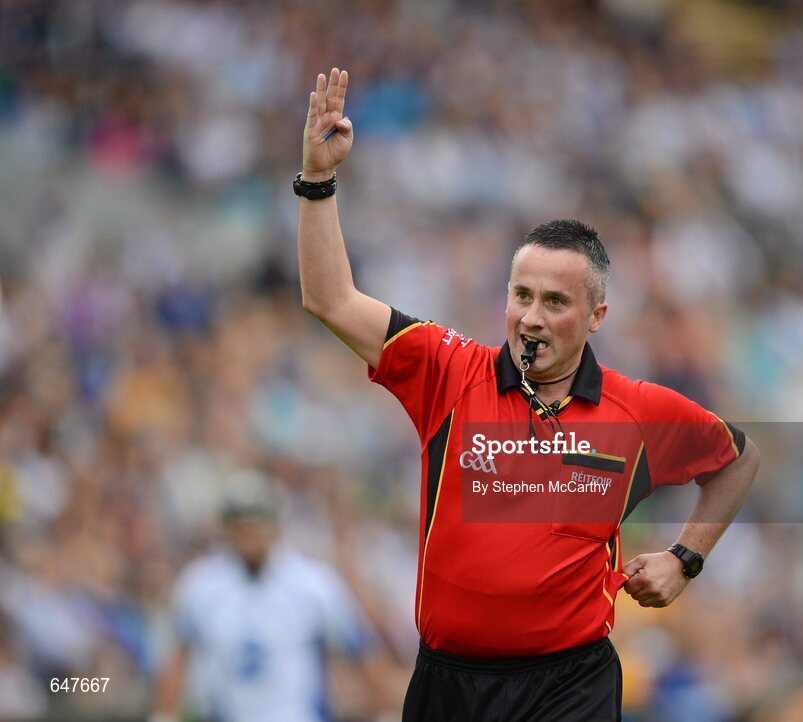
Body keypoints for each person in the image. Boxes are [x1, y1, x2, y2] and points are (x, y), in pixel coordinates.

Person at [296, 67, 760, 722]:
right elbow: (329, 299)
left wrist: (687, 558)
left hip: (567, 686)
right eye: (521, 295)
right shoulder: (446, 368)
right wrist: (317, 180)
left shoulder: (637, 409)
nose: (532, 317)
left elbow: (738, 458)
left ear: (597, 315)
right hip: (449, 683)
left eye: (555, 301)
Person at [150, 471, 385, 722]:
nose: (252, 536)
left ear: (275, 525)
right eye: (243, 525)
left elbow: (361, 651)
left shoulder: (313, 584)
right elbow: (176, 657)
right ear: (227, 529)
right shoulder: (200, 585)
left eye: (259, 523)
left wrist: (385, 709)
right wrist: (163, 714)